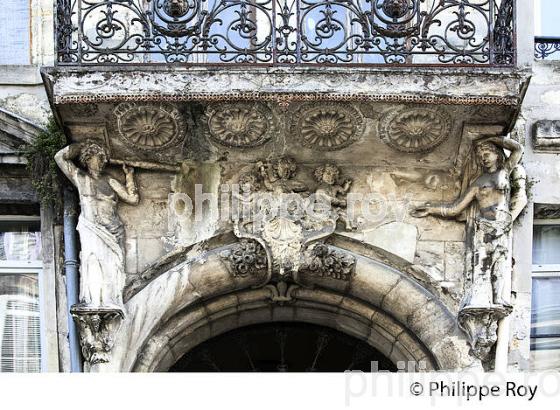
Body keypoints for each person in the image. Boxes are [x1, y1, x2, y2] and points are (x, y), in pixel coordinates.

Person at [411, 136, 524, 307]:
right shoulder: (478, 182)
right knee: (483, 264)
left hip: (502, 224)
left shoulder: (505, 172)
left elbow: (518, 149)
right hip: (484, 226)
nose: (483, 158)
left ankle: (498, 299)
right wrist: (431, 209)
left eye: (487, 153)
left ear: (496, 154)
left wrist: (495, 139)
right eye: (480, 156)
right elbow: (456, 208)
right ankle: (482, 301)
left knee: (500, 261)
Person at [55, 141, 139, 307]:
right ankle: (96, 303)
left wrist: (129, 177)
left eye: (103, 159)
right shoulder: (80, 177)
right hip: (92, 229)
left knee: (112, 268)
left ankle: (112, 301)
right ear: (87, 159)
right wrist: (84, 143)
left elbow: (133, 199)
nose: (102, 162)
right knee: (93, 262)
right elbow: (59, 157)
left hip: (113, 230)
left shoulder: (109, 180)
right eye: (97, 158)